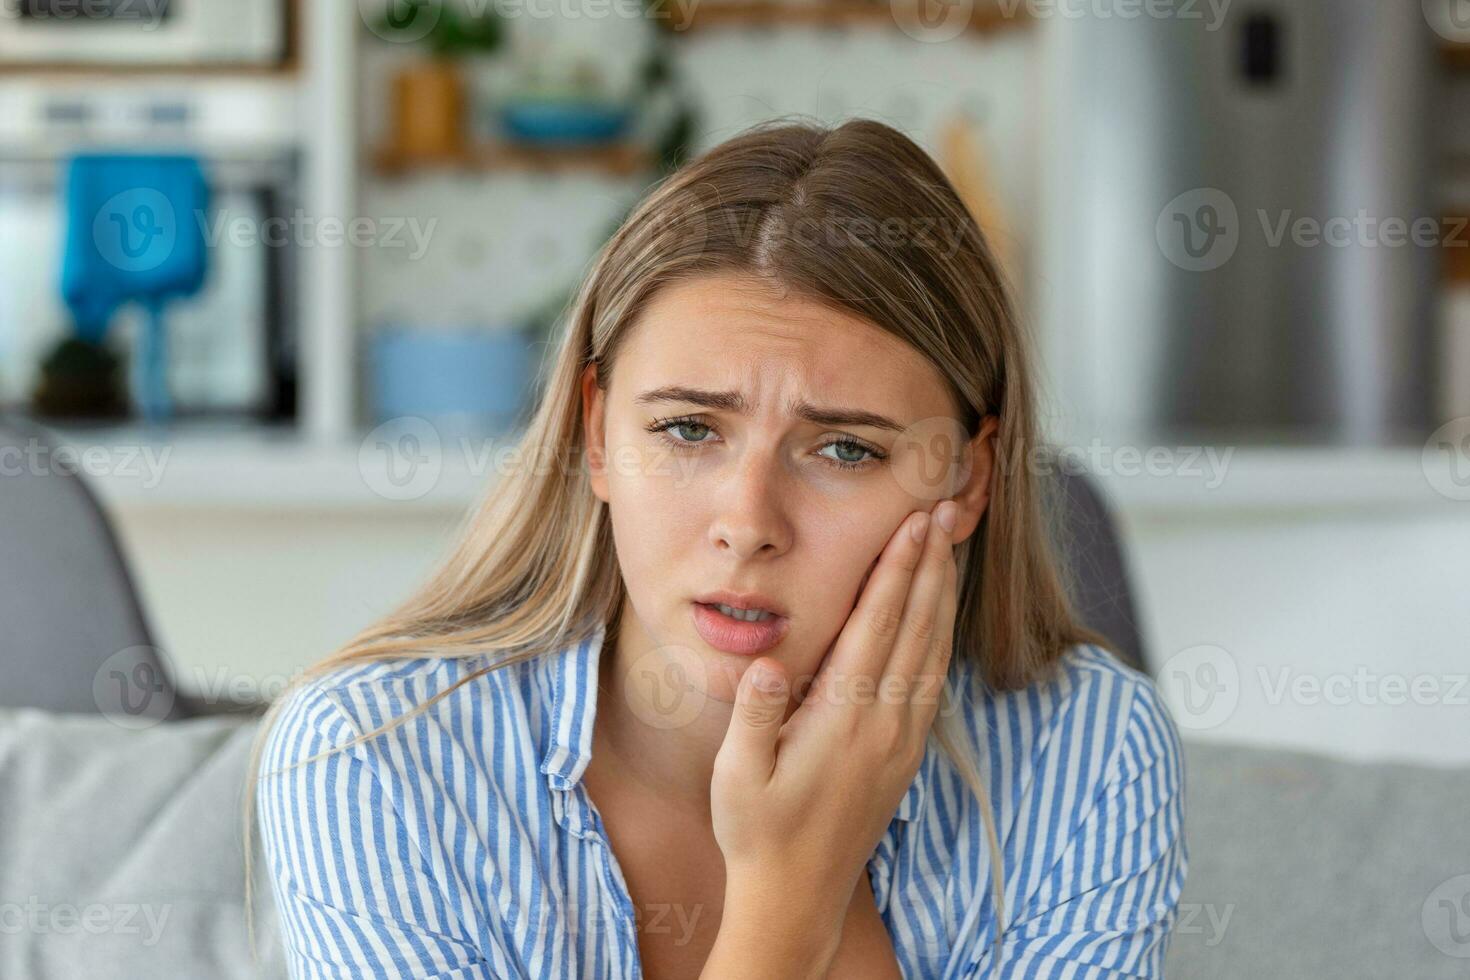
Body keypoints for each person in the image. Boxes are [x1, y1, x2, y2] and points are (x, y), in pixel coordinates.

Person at [244, 116, 1186, 979]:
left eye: (846, 448)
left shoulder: (1090, 752)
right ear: (597, 432)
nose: (748, 522)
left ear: (969, 478)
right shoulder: (374, 759)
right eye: (690, 430)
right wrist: (791, 896)